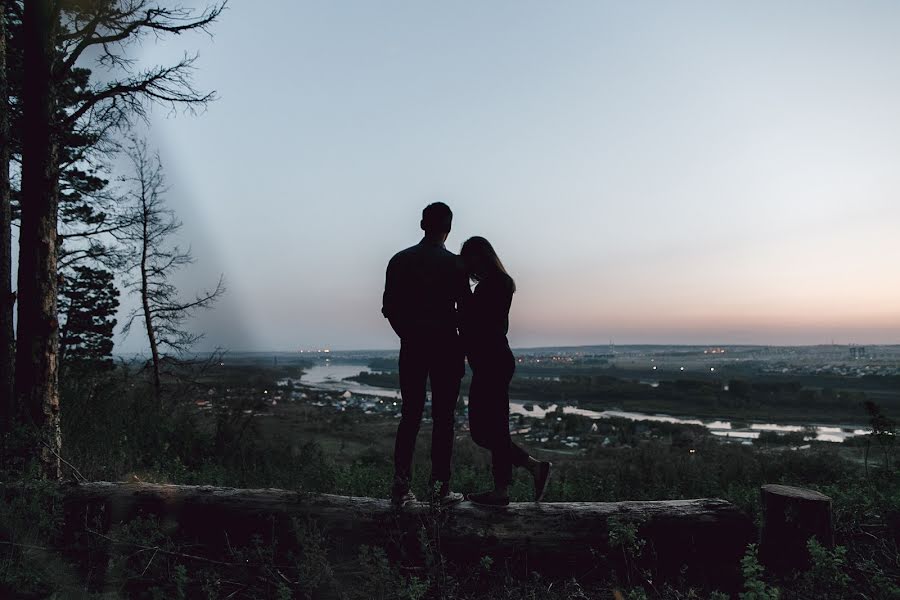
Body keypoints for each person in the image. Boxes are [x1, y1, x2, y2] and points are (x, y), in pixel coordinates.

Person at [382, 202, 471, 508]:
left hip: (413, 348)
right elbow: (467, 312)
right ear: (449, 229)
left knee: (410, 417)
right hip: (447, 348)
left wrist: (409, 335)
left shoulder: (400, 261)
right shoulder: (456, 266)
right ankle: (440, 490)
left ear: (422, 225)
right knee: (444, 420)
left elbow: (390, 310)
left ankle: (401, 488)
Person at [459, 236, 551, 506]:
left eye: (469, 259)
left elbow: (472, 319)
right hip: (490, 362)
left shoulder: (495, 284)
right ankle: (532, 468)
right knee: (484, 431)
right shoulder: (495, 284)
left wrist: (461, 286)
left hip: (492, 362)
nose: (467, 266)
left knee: (492, 430)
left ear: (481, 256)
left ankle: (502, 490)